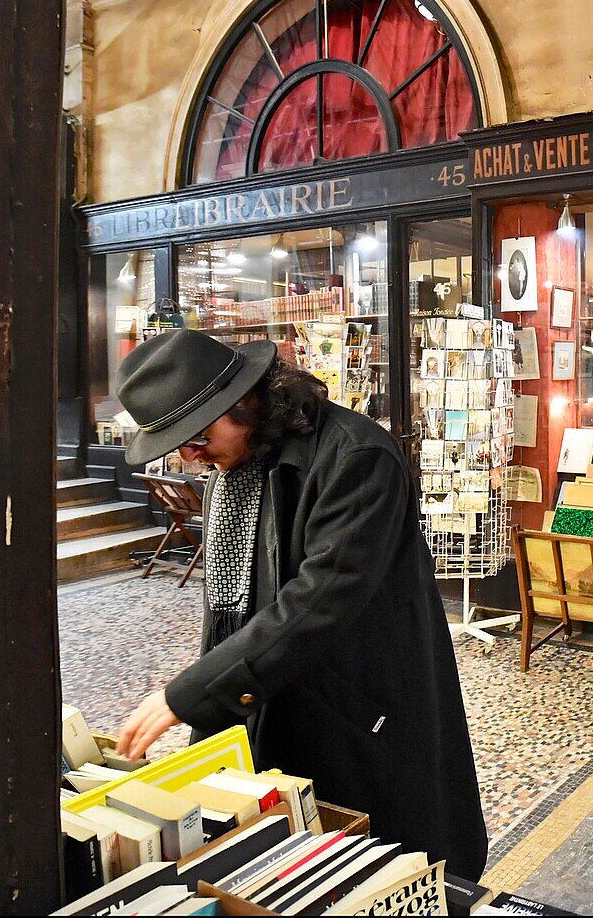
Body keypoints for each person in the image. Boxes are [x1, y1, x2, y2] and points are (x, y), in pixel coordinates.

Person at [113, 329, 487, 880]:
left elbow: (321, 598)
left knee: (382, 868)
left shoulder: (356, 456)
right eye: (179, 446)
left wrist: (192, 692)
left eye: (196, 435)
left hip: (360, 711)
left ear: (244, 401)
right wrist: (209, 737)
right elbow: (227, 613)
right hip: (272, 702)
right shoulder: (233, 472)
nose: (192, 457)